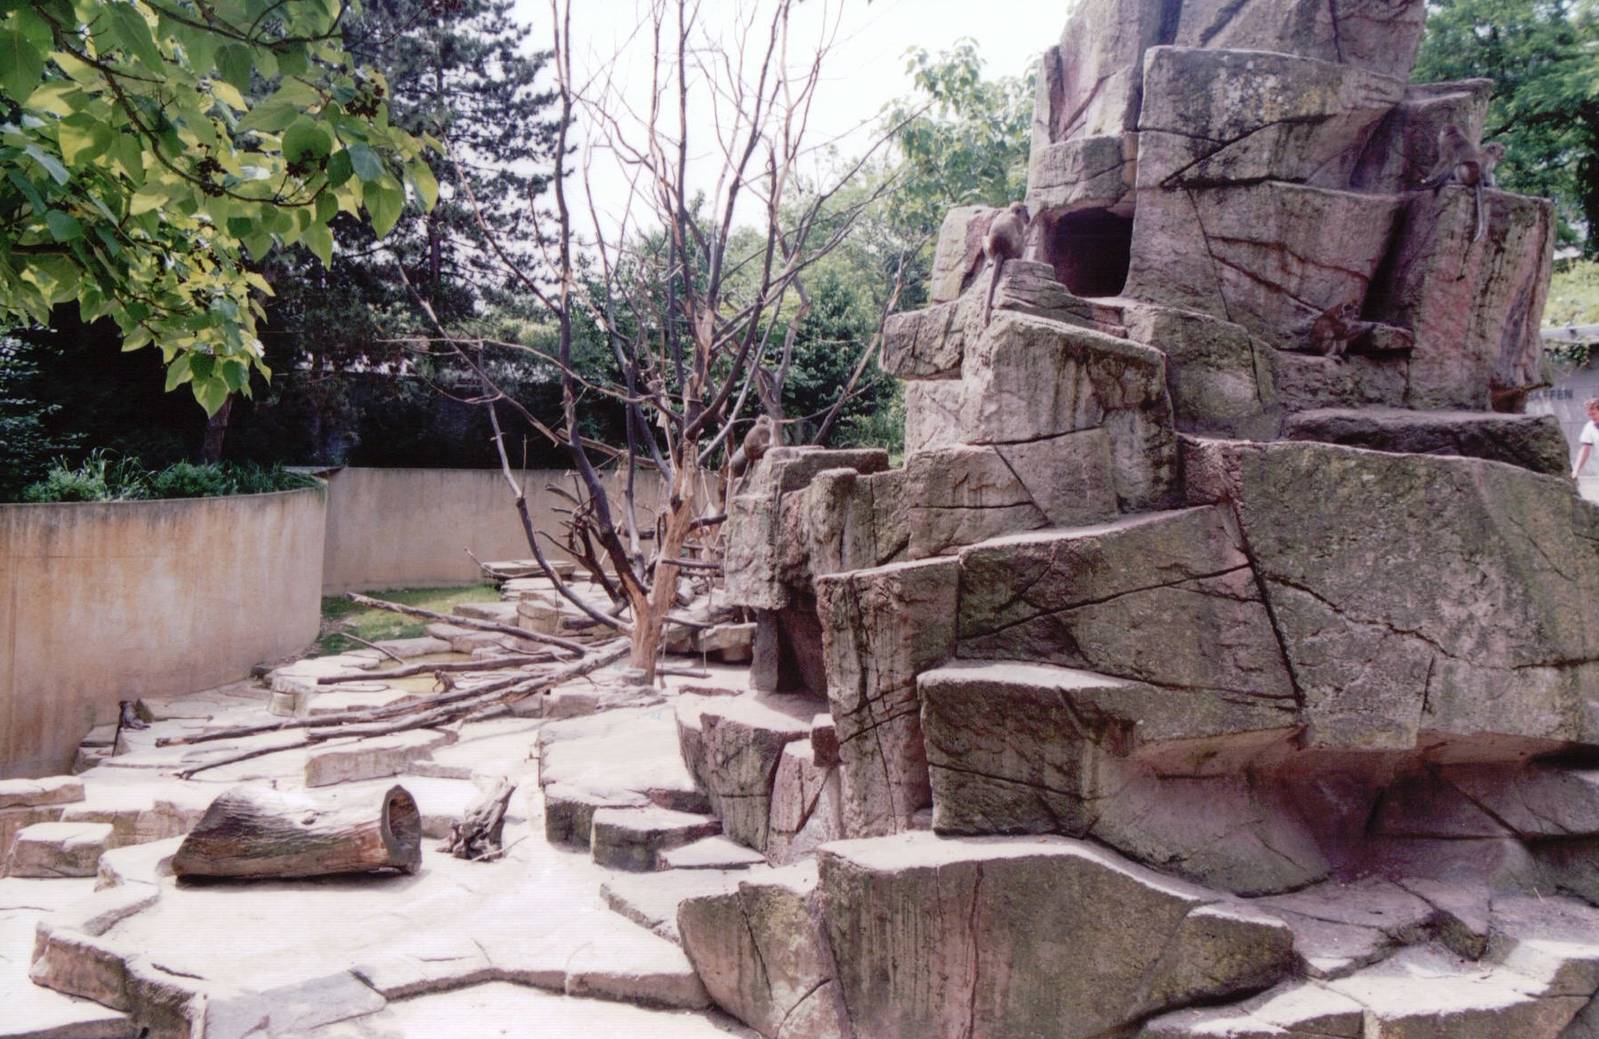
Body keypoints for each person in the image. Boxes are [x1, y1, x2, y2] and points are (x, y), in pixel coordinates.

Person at [1574, 398, 1599, 479]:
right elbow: (1585, 450)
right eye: (1589, 414)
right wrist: (1576, 470)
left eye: (1593, 413)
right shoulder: (1589, 427)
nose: (1591, 417)